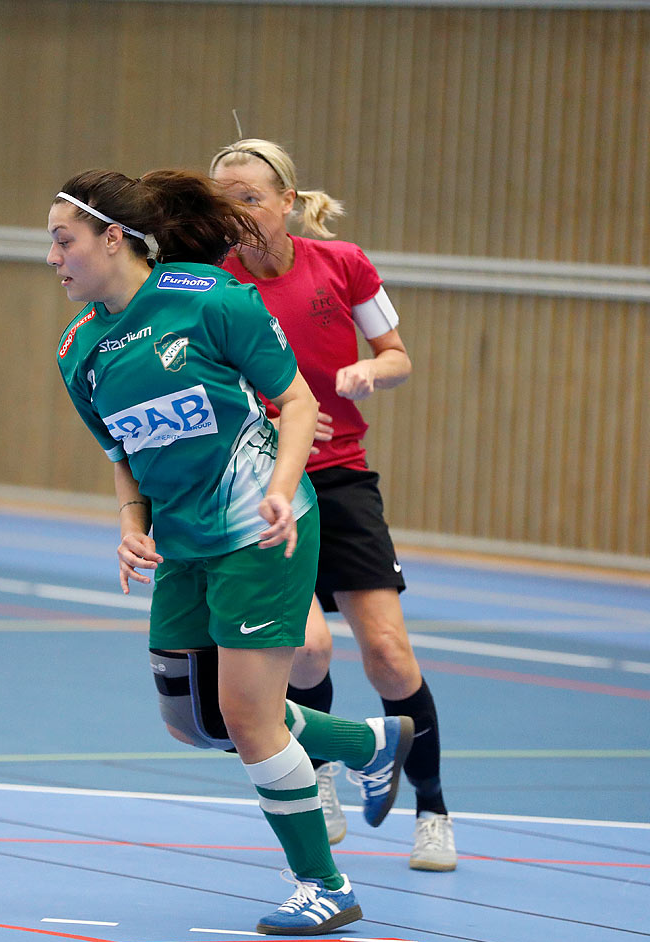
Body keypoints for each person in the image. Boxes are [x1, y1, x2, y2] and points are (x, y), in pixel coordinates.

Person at [48, 168, 414, 934]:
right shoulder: (80, 351)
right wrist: (129, 522)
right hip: (180, 542)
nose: (53, 258)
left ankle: (325, 885)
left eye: (63, 241)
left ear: (112, 239)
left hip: (259, 529)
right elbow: (123, 449)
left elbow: (301, 402)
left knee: (247, 715)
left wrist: (282, 488)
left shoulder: (209, 299)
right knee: (195, 721)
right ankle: (368, 742)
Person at [209, 139, 457, 872]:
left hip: (342, 480)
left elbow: (400, 355)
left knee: (387, 654)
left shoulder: (342, 263)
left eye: (250, 197)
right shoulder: (212, 288)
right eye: (223, 201)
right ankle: (320, 774)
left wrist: (368, 371)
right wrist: (278, 415)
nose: (237, 214)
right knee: (309, 647)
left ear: (288, 203)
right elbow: (212, 393)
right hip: (264, 488)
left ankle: (433, 807)